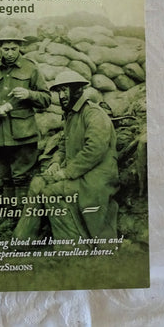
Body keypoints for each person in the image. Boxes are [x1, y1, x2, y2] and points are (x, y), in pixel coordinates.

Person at [14, 70, 119, 243]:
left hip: (96, 176)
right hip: (79, 172)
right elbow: (63, 145)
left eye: (65, 90)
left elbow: (94, 150)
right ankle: (23, 240)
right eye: (59, 91)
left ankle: (72, 246)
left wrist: (66, 172)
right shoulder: (70, 115)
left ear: (77, 90)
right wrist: (55, 163)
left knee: (51, 193)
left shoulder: (93, 113)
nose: (61, 96)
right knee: (37, 183)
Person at [0, 26, 51, 208]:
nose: (9, 53)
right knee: (5, 177)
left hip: (22, 134)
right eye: (5, 49)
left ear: (20, 47)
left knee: (21, 178)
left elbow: (46, 99)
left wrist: (29, 94)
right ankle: (10, 214)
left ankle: (21, 217)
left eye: (14, 49)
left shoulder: (31, 68)